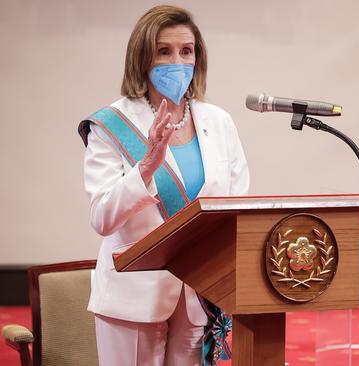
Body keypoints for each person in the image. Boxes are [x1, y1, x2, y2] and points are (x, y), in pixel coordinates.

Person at [77, 5, 249, 366]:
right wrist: (145, 168)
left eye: (186, 51)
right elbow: (102, 218)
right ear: (142, 58)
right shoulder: (111, 124)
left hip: (197, 292)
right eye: (164, 51)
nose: (177, 61)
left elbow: (237, 205)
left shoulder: (218, 122)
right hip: (132, 300)